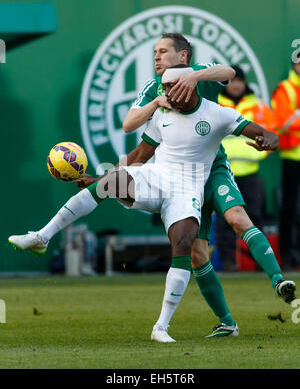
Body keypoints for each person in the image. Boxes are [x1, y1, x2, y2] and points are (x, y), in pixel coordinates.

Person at [8, 66, 281, 343]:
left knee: (185, 245)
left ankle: (161, 327)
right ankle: (42, 236)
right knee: (106, 186)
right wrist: (102, 177)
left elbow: (267, 134)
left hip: (187, 190)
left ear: (188, 85)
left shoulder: (217, 113)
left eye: (172, 87)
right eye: (164, 88)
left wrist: (266, 141)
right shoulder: (161, 114)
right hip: (155, 179)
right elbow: (140, 154)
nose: (167, 93)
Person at [121, 33, 297, 335]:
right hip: (179, 179)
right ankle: (228, 322)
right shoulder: (154, 88)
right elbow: (130, 127)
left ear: (184, 56)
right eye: (154, 52)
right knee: (197, 254)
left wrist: (194, 77)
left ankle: (278, 280)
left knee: (237, 218)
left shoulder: (205, 79)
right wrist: (156, 104)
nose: (157, 57)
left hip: (212, 168)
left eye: (163, 51)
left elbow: (229, 72)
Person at [216, 65, 277, 271]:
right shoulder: (215, 104)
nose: (236, 85)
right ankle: (227, 262)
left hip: (250, 172)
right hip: (224, 172)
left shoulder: (258, 106)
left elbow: (271, 135)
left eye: (240, 81)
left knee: (255, 218)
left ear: (245, 83)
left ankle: (261, 263)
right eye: (232, 81)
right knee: (224, 220)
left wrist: (260, 151)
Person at [271, 53, 300, 270]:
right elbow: (282, 121)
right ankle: (287, 257)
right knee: (289, 208)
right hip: (292, 157)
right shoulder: (285, 89)